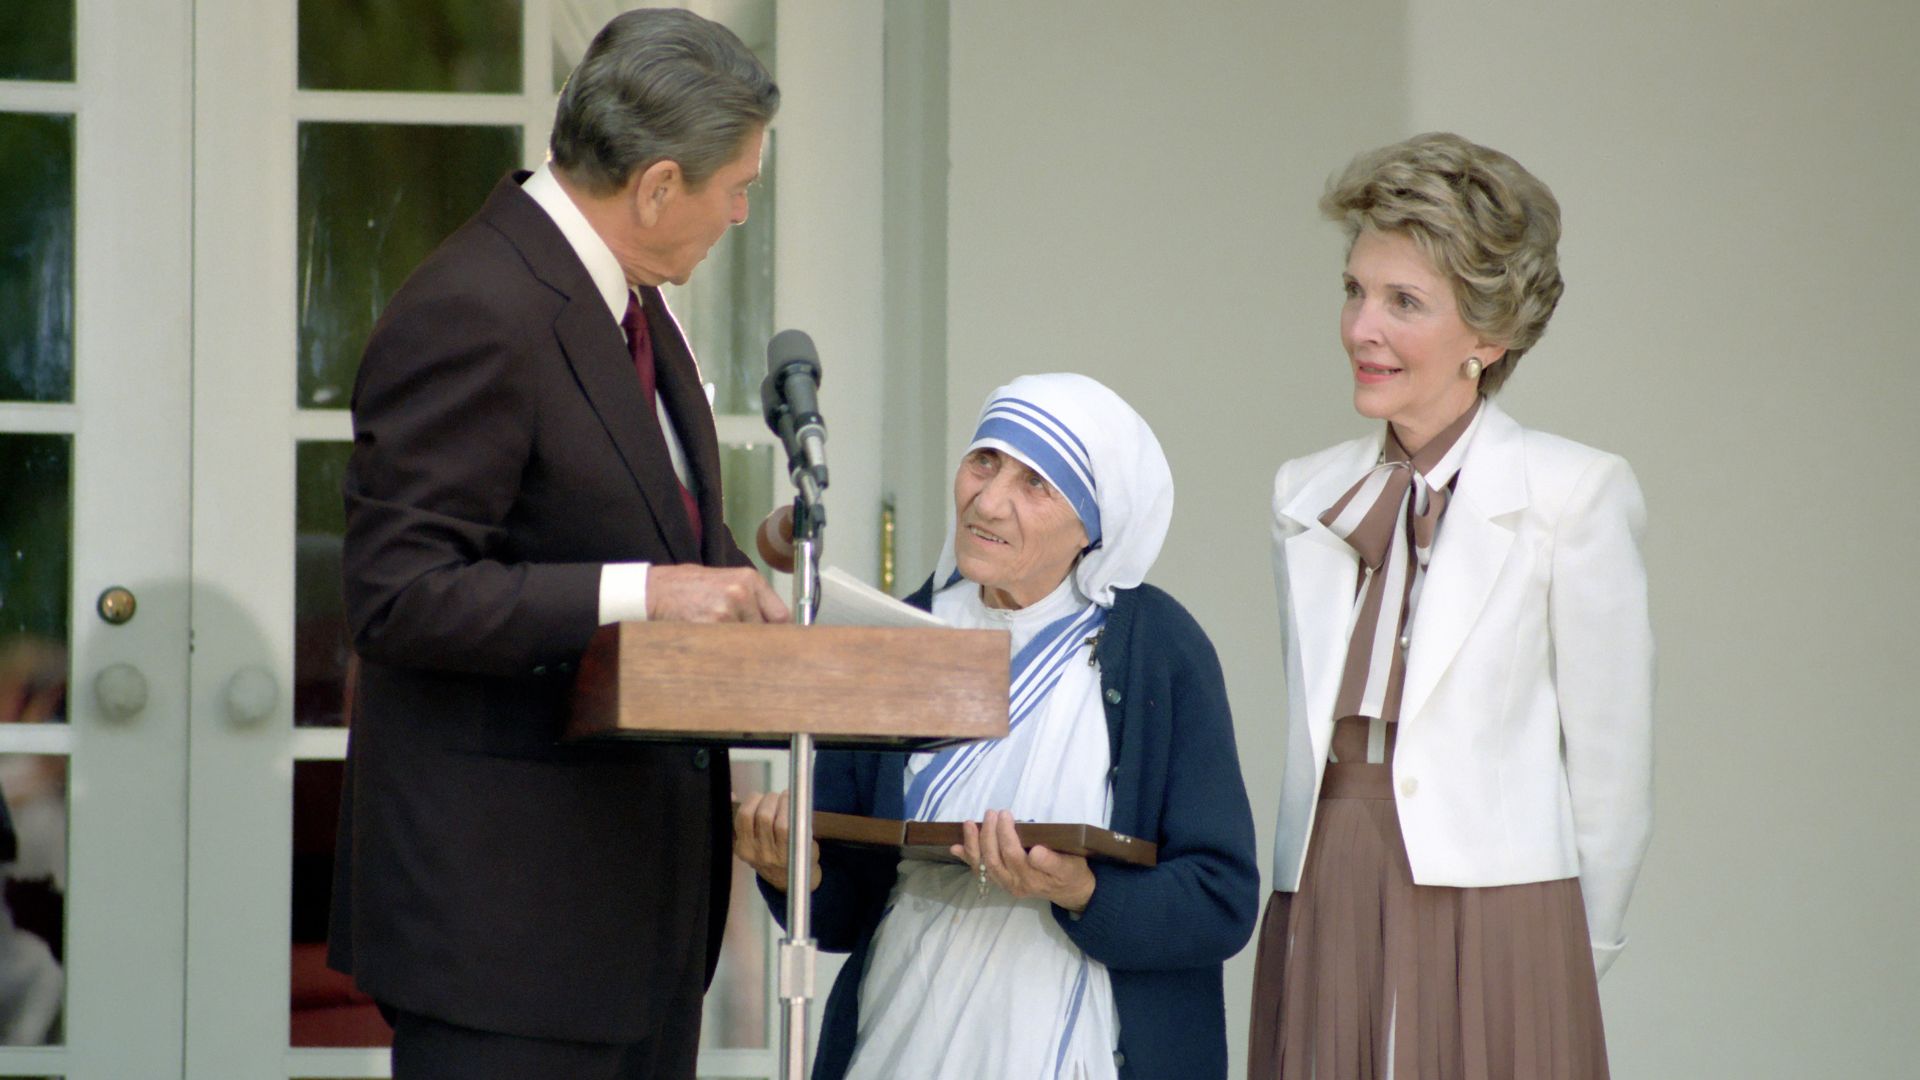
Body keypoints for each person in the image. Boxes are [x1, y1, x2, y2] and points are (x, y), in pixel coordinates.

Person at [327, 10, 788, 1079]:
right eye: (739, 185)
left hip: (635, 932)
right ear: (659, 185)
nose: (741, 211)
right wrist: (648, 593)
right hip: (506, 941)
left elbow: (635, 518)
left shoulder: (633, 302)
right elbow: (400, 594)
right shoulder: (474, 306)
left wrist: (744, 577)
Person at [1247, 133, 1654, 1079]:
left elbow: (1612, 768)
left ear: (1489, 335)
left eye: (1404, 302)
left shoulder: (1575, 493)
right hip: (1323, 872)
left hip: (1505, 895)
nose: (1362, 328)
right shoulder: (1303, 494)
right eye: (1355, 291)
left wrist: (1576, 948)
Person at [737, 374, 1260, 1080]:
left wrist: (1082, 892)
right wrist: (789, 871)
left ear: (1093, 527)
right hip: (904, 1033)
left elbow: (1220, 901)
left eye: (1036, 483)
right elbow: (845, 911)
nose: (987, 501)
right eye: (984, 461)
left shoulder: (1160, 650)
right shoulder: (899, 638)